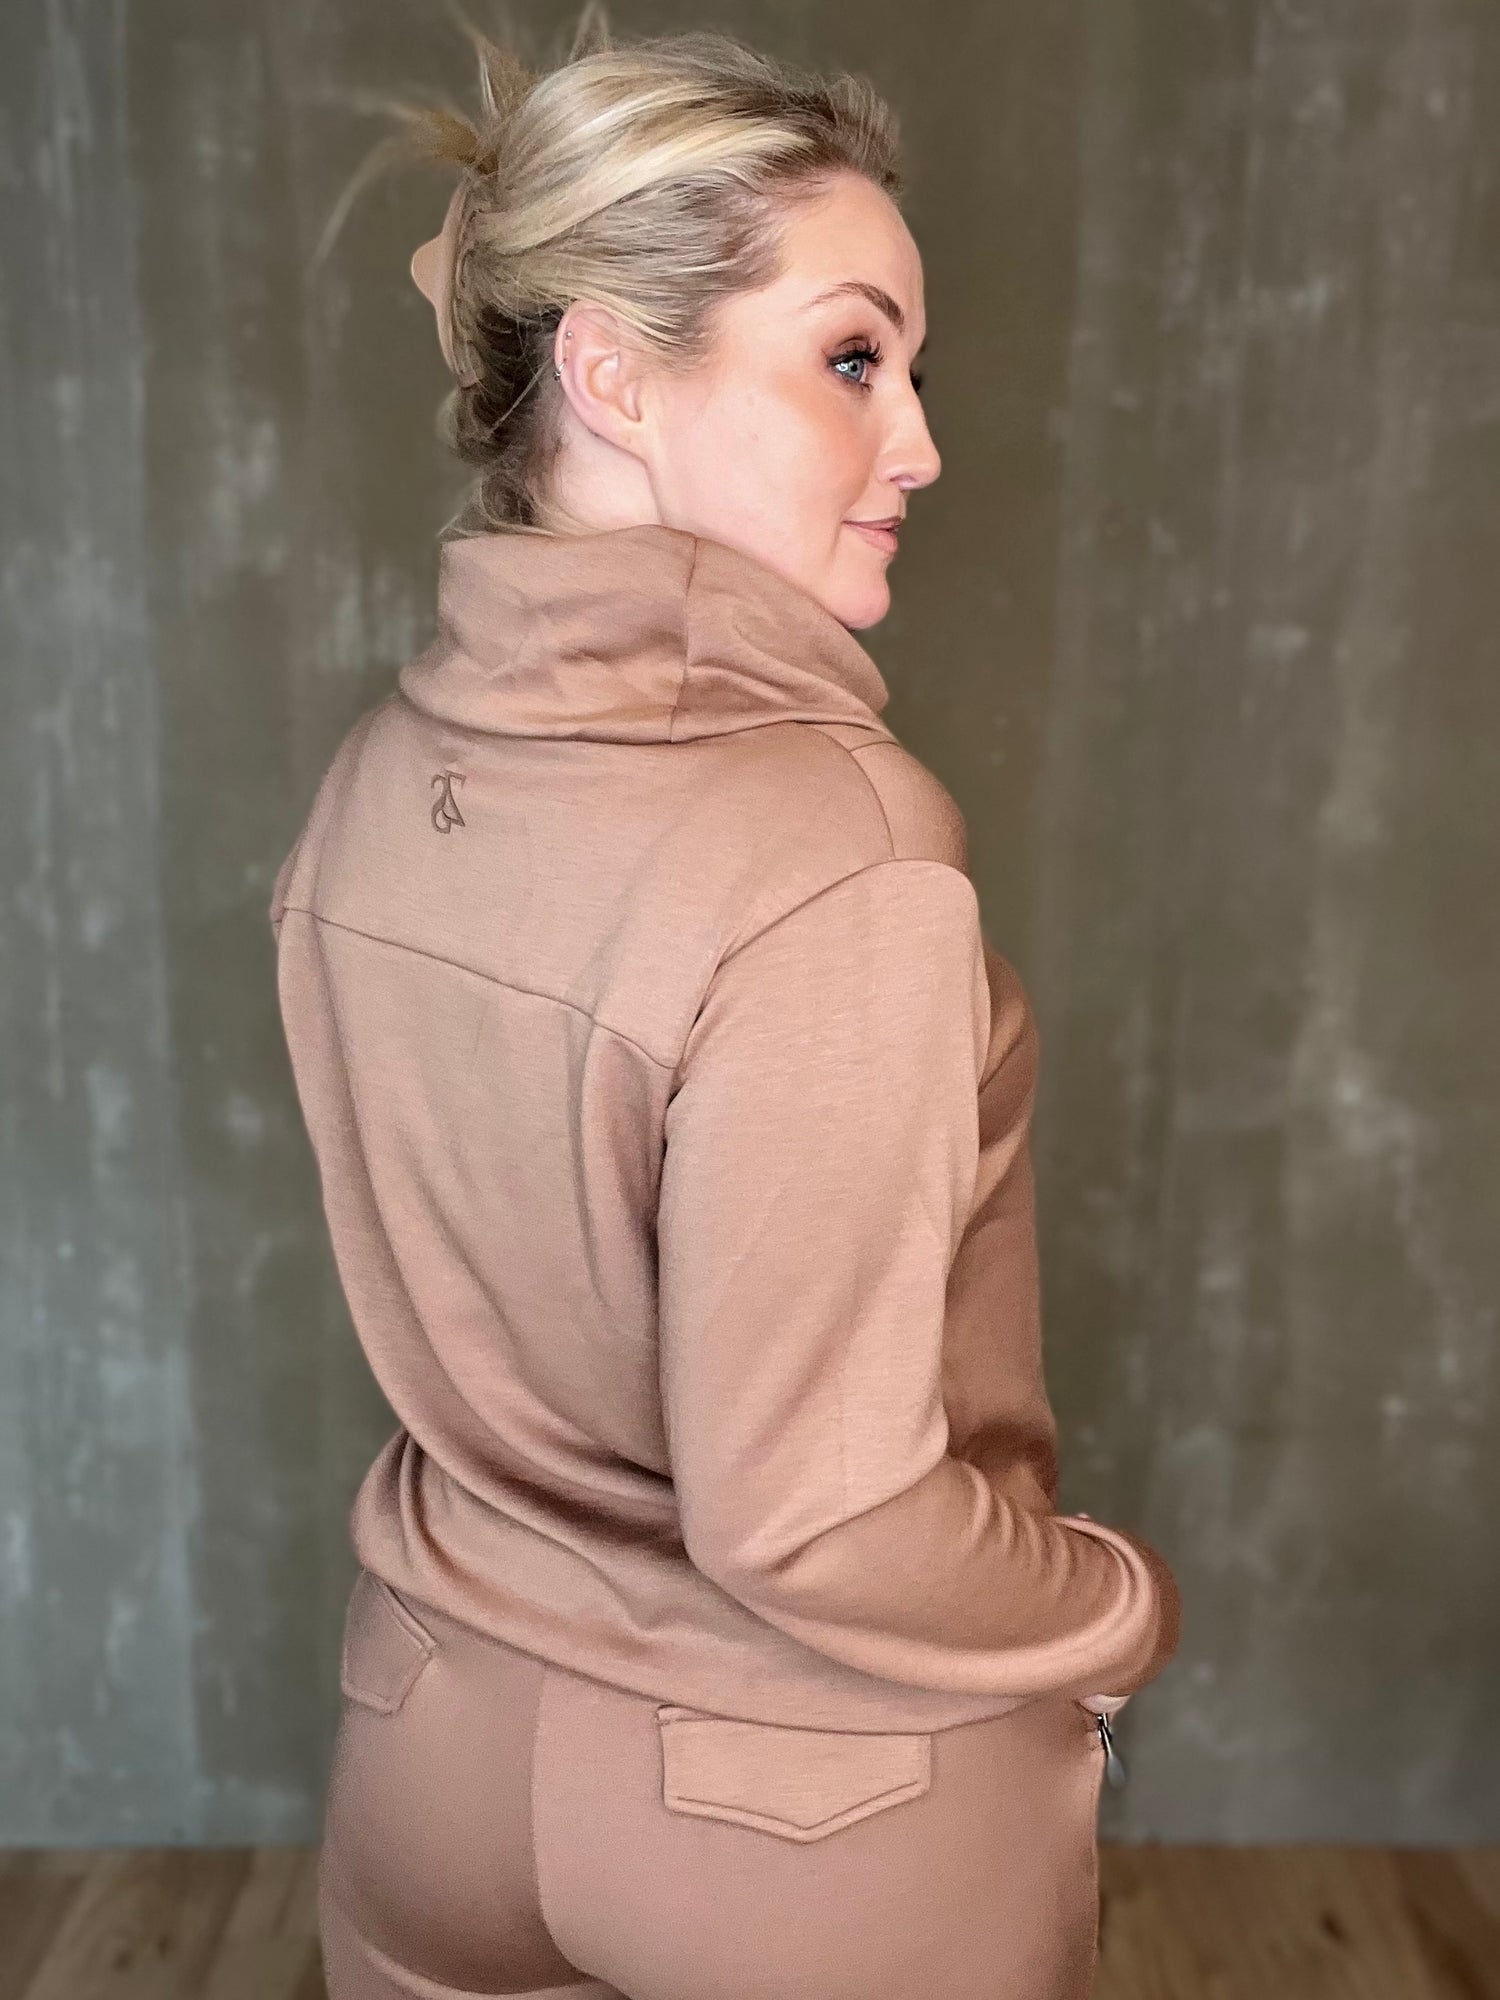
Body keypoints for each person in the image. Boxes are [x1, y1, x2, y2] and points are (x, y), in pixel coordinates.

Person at [270, 10, 1182, 1997]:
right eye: (853, 358)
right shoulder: (839, 848)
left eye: (912, 370)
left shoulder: (372, 780)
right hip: (806, 1813)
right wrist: (1116, 1608)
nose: (919, 439)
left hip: (429, 1737)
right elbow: (815, 1521)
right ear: (613, 373)